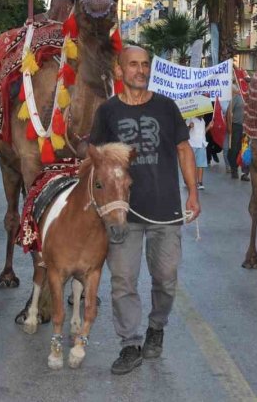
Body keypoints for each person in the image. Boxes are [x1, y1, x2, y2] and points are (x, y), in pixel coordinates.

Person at [90, 45, 200, 375]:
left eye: (145, 64)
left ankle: (156, 326)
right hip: (122, 214)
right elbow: (95, 161)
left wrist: (193, 193)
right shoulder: (107, 113)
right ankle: (129, 344)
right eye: (133, 65)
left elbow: (183, 150)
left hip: (165, 211)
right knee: (123, 281)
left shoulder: (167, 108)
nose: (141, 70)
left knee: (165, 279)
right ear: (119, 70)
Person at [227, 84, 246, 179]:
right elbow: (229, 113)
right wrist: (229, 126)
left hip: (246, 127)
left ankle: (243, 171)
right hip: (236, 126)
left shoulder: (246, 96)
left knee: (243, 149)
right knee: (234, 148)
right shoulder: (235, 98)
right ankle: (234, 169)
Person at [187, 115, 209, 190]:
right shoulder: (190, 118)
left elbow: (203, 132)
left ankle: (200, 182)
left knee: (201, 164)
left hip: (201, 143)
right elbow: (185, 131)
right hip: (192, 144)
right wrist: (190, 126)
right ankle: (191, 181)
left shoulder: (203, 121)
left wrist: (209, 126)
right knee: (192, 164)